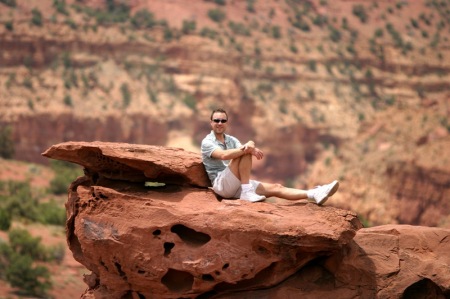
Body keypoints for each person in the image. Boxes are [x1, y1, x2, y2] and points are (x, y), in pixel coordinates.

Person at [201, 108, 339, 204]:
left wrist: (251, 144)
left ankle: (314, 193)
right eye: (216, 120)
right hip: (221, 186)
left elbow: (245, 146)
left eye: (223, 121)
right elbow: (224, 155)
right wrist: (249, 148)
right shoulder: (207, 142)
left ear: (226, 123)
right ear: (211, 122)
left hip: (236, 184)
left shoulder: (231, 140)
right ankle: (246, 192)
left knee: (276, 188)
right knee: (244, 152)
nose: (220, 123)